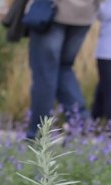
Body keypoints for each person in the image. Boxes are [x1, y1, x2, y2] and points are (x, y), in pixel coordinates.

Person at [26, 0, 101, 139]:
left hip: (51, 10)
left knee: (45, 74)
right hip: (83, 15)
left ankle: (38, 136)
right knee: (63, 68)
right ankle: (81, 123)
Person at [93, 1, 111, 120]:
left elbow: (101, 13)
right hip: (106, 52)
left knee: (107, 88)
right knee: (104, 86)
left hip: (106, 52)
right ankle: (95, 118)